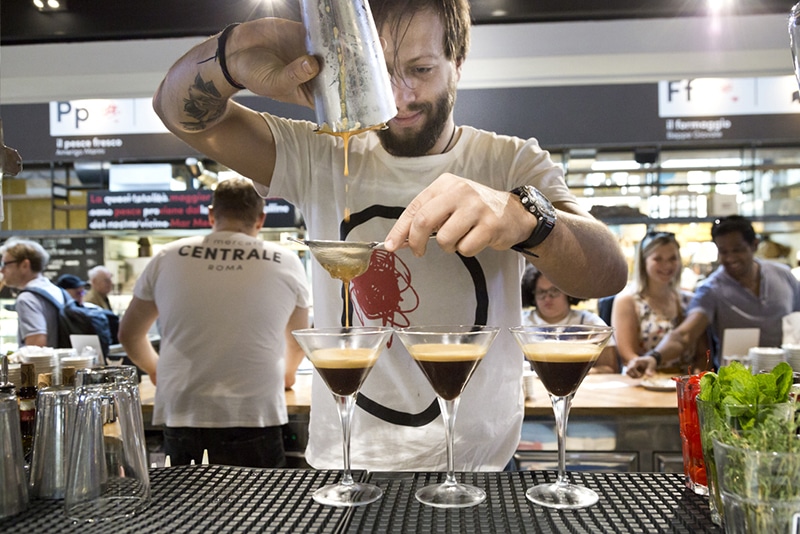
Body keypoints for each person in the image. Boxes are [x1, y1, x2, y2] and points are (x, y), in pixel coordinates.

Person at [152, 0, 627, 471]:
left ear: (457, 63)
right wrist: (236, 50)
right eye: (379, 72)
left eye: (420, 69)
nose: (399, 97)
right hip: (348, 463)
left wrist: (526, 215)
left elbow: (606, 273)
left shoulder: (510, 163)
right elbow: (176, 110)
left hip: (481, 467)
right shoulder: (319, 152)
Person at [118, 178, 311, 468]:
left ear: (211, 215)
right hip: (254, 410)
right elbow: (297, 338)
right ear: (260, 219)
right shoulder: (285, 260)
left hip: (184, 409)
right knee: (261, 510)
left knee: (187, 509)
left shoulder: (167, 256)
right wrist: (288, 374)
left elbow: (130, 334)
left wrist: (155, 369)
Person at [627, 216, 800, 377]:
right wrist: (654, 357)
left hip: (787, 379)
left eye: (737, 250)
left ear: (754, 245)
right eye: (723, 251)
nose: (730, 257)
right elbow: (684, 335)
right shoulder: (710, 290)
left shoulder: (783, 276)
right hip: (737, 385)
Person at [613, 232, 708, 376]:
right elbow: (627, 356)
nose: (667, 265)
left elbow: (703, 354)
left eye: (672, 258)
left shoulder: (690, 300)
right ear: (644, 262)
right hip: (645, 380)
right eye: (658, 259)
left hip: (685, 384)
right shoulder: (627, 301)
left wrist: (697, 380)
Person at [521, 266, 618, 373]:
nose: (547, 298)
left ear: (568, 291)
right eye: (541, 292)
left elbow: (610, 368)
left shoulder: (591, 324)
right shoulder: (521, 323)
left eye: (554, 291)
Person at [0, 239, 65, 348]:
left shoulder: (27, 298)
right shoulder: (55, 289)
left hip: (44, 365)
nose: (2, 270)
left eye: (5, 264)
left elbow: (36, 349)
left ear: (25, 265)